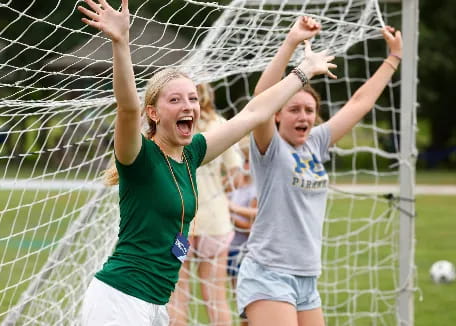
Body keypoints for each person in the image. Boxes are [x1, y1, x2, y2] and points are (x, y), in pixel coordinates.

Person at [77, 1, 336, 325]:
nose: (188, 106)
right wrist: (120, 43)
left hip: (155, 303)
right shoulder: (138, 156)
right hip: (120, 299)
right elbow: (128, 108)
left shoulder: (192, 153)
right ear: (154, 113)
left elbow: (254, 113)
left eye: (192, 98)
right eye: (175, 100)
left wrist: (303, 71)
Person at [235, 16, 402, 326]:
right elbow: (261, 99)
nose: (303, 116)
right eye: (294, 109)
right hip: (269, 274)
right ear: (277, 116)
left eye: (309, 110)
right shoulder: (269, 146)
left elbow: (359, 102)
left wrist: (393, 58)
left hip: (307, 279)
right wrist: (291, 42)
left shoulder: (316, 142)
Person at [168, 83, 242, 326]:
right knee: (216, 298)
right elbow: (237, 175)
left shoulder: (172, 125)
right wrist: (218, 186)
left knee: (178, 295)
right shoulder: (219, 125)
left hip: (182, 228)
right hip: (216, 226)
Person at [226, 137, 257, 326]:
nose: (244, 164)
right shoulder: (236, 184)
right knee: (240, 305)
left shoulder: (256, 189)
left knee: (248, 307)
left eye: (247, 160)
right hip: (231, 251)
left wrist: (229, 213)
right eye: (242, 160)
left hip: (245, 253)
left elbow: (251, 228)